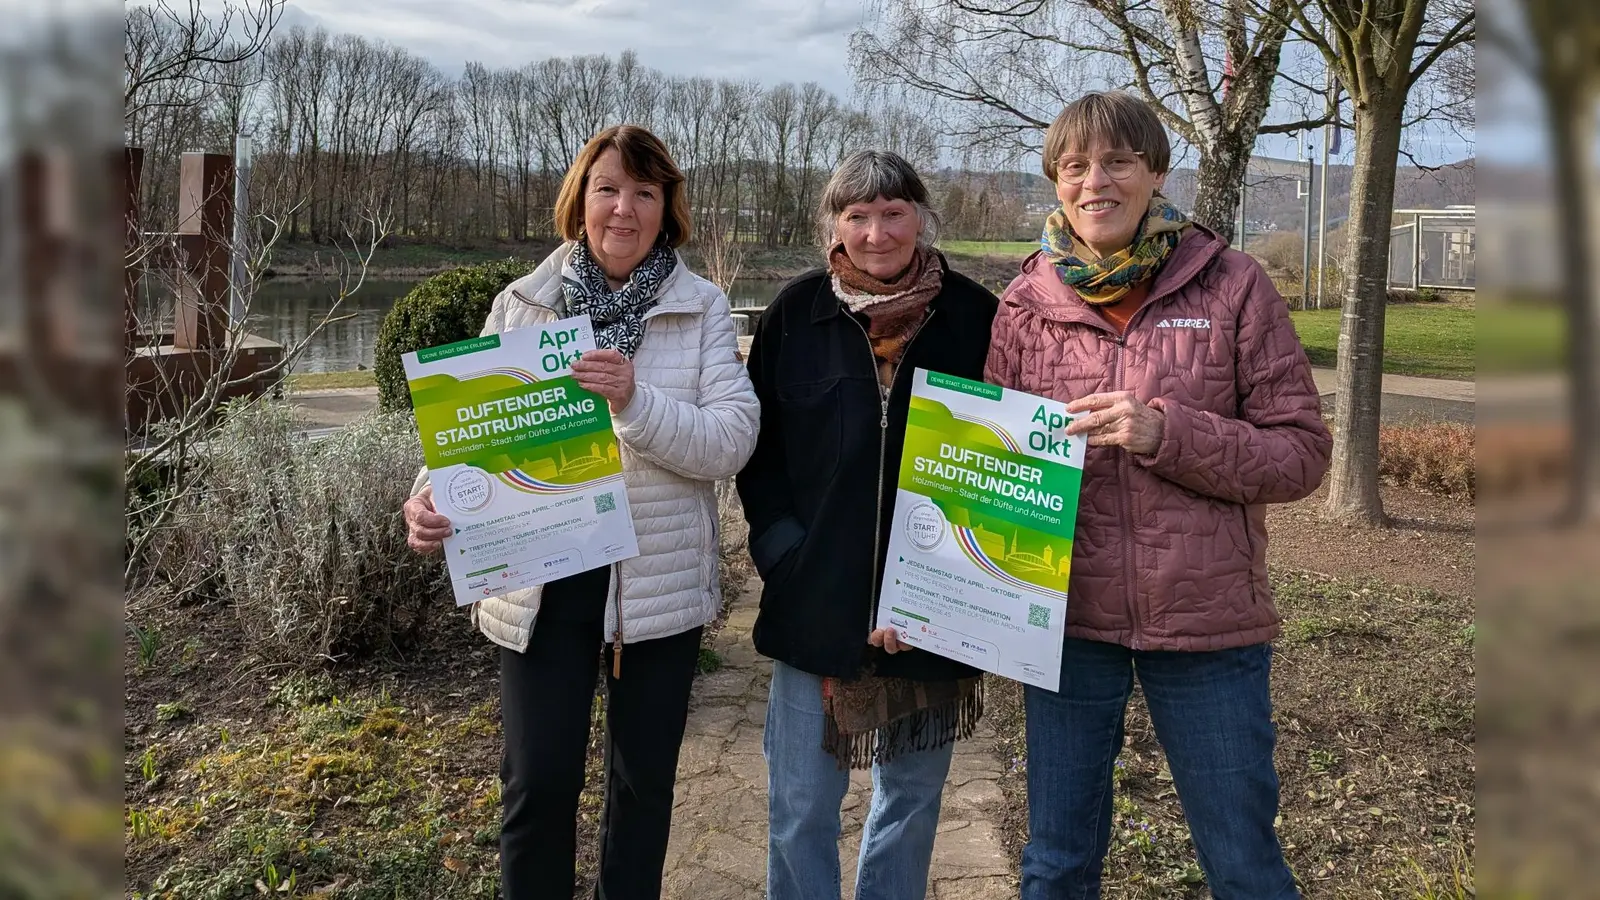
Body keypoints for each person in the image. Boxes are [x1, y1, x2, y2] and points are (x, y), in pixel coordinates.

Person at [984, 91, 1333, 899]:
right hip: (1067, 626)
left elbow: (1302, 456)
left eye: (1118, 162)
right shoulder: (1023, 306)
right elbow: (993, 471)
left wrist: (1165, 433)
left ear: (1157, 174)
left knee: (1243, 865)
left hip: (1209, 628)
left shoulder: (1233, 286)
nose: (1095, 181)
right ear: (1055, 184)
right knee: (1055, 865)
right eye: (1075, 167)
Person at [402, 124, 759, 900]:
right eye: (607, 189)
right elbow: (470, 432)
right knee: (537, 786)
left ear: (667, 209)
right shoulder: (523, 304)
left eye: (644, 192)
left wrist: (634, 400)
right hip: (540, 580)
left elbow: (732, 442)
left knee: (641, 793)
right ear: (580, 200)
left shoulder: (701, 310)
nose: (623, 209)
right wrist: (427, 499)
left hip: (653, 591)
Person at [735, 150, 998, 900]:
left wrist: (950, 590)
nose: (876, 233)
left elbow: (1007, 467)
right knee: (799, 808)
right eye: (857, 215)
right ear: (834, 225)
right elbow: (761, 456)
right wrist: (787, 556)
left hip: (935, 606)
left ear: (921, 216)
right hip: (814, 598)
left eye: (892, 212)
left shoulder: (977, 317)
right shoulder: (795, 312)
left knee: (910, 805)